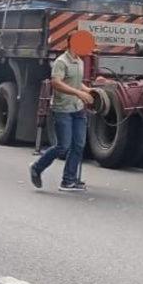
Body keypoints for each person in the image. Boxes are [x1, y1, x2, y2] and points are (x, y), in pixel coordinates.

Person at [30, 31, 98, 192]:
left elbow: (76, 82)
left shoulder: (79, 61)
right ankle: (37, 167)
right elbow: (57, 83)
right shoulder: (61, 62)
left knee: (79, 144)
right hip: (63, 109)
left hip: (78, 108)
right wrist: (78, 93)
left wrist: (87, 90)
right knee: (63, 146)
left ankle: (68, 181)